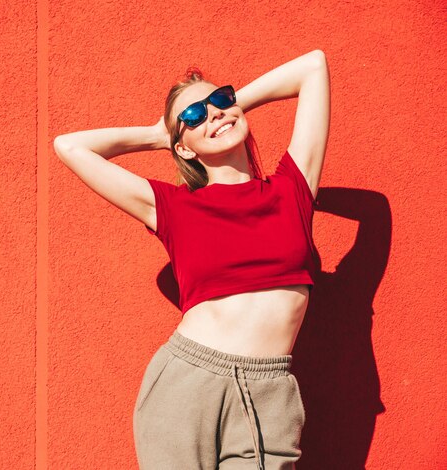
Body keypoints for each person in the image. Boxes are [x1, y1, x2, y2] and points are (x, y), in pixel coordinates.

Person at [53, 49, 330, 470]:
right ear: (182, 149)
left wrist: (226, 108)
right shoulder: (172, 207)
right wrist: (159, 134)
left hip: (269, 390)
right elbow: (70, 146)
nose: (214, 115)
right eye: (196, 116)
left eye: (220, 100)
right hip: (187, 383)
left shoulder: (291, 189)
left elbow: (312, 67)